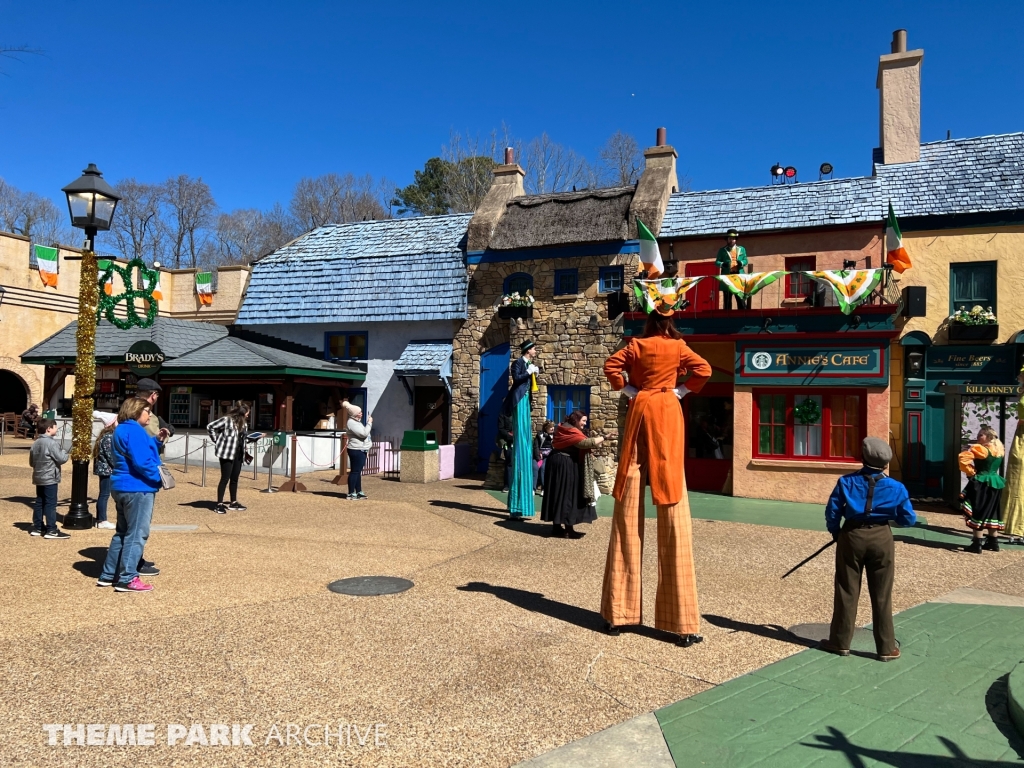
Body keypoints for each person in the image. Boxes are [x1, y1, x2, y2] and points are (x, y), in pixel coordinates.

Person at [601, 310, 712, 647]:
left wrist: (631, 390)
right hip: (666, 409)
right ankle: (681, 622)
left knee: (629, 496)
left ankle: (618, 614)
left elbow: (611, 367)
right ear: (670, 321)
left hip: (641, 407)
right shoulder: (678, 346)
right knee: (672, 497)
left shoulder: (636, 344)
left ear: (649, 321)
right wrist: (679, 391)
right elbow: (703, 370)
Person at [820, 437, 916, 661]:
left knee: (847, 589)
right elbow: (908, 519)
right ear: (885, 463)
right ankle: (886, 648)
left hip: (852, 534)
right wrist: (890, 517)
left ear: (863, 458)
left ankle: (840, 642)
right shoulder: (897, 487)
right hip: (881, 536)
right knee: (882, 593)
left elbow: (832, 511)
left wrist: (836, 532)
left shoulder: (846, 482)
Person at [98, 397, 165, 592]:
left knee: (122, 532)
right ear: (136, 412)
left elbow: (134, 452)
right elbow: (142, 462)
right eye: (146, 410)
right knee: (137, 533)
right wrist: (158, 478)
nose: (149, 414)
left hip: (121, 485)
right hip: (138, 487)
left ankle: (108, 573)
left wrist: (156, 441)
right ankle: (128, 577)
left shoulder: (121, 428)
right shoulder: (135, 430)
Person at [541, 412, 603, 538]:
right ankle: (568, 529)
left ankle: (557, 526)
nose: (585, 424)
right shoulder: (570, 431)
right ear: (576, 419)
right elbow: (584, 443)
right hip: (564, 464)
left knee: (558, 493)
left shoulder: (563, 427)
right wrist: (604, 437)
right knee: (568, 494)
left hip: (556, 463)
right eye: (583, 421)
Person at [502, 340, 539, 519]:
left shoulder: (529, 364)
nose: (535, 350)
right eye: (533, 348)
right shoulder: (518, 363)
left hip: (525, 402)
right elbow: (517, 380)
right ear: (527, 350)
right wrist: (528, 373)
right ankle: (516, 505)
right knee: (520, 446)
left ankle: (521, 504)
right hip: (518, 401)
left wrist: (533, 371)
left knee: (526, 444)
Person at [960, 426, 1006, 553]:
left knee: (978, 510)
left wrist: (971, 473)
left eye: (981, 435)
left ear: (989, 437)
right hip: (995, 482)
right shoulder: (1000, 449)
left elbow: (963, 460)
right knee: (992, 512)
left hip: (981, 482)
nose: (978, 437)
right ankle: (993, 541)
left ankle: (977, 543)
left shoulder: (981, 449)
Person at [28, 417, 70, 539]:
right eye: (55, 427)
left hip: (38, 476)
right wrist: (64, 452)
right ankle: (51, 529)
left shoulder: (35, 443)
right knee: (50, 503)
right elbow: (61, 458)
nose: (56, 429)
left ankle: (38, 527)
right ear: (49, 429)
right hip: (50, 477)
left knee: (39, 502)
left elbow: (31, 462)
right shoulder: (51, 443)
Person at [207, 405, 251, 514]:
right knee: (225, 478)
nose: (248, 415)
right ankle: (219, 504)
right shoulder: (227, 420)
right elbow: (210, 426)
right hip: (227, 453)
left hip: (239, 453)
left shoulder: (244, 424)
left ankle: (233, 502)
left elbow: (243, 438)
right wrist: (217, 440)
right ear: (241, 413)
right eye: (247, 413)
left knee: (235, 478)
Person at [1002, 370, 1024, 545]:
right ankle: (1015, 528)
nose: (1019, 377)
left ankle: (1019, 530)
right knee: (1016, 480)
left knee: (1020, 481)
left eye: (1022, 376)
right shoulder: (1022, 391)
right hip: (1021, 436)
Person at [135, 378, 175, 450]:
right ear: (153, 395)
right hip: (147, 457)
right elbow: (155, 437)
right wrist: (167, 432)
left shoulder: (129, 407)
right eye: (157, 394)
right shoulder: (146, 412)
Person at [715, 228, 749, 310]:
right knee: (727, 299)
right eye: (730, 238)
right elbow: (717, 262)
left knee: (740, 298)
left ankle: (743, 315)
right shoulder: (722, 250)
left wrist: (741, 263)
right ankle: (727, 317)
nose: (732, 240)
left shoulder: (742, 249)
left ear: (736, 239)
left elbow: (746, 260)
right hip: (728, 277)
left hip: (738, 276)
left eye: (733, 238)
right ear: (727, 239)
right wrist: (723, 264)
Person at [92, 419, 117, 530]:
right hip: (106, 470)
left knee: (103, 494)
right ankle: (102, 520)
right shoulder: (108, 437)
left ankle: (100, 519)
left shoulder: (106, 436)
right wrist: (118, 465)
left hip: (104, 469)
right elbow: (110, 456)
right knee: (104, 495)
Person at [346, 406, 372, 500]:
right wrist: (369, 423)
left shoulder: (357, 422)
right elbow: (363, 433)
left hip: (361, 449)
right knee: (354, 471)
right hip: (356, 449)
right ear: (354, 414)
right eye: (359, 412)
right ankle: (351, 493)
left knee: (358, 472)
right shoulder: (351, 423)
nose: (361, 413)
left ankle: (359, 491)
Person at [533, 420, 555, 493]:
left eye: (553, 427)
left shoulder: (554, 436)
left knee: (543, 468)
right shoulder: (540, 435)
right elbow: (536, 447)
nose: (552, 428)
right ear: (546, 428)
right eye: (550, 427)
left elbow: (555, 448)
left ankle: (544, 488)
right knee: (535, 467)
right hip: (539, 455)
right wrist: (538, 457)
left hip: (549, 456)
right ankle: (533, 488)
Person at [497, 411, 514, 493]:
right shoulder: (503, 414)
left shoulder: (520, 412)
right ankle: (507, 485)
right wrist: (510, 437)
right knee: (509, 463)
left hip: (520, 442)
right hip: (509, 442)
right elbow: (501, 429)